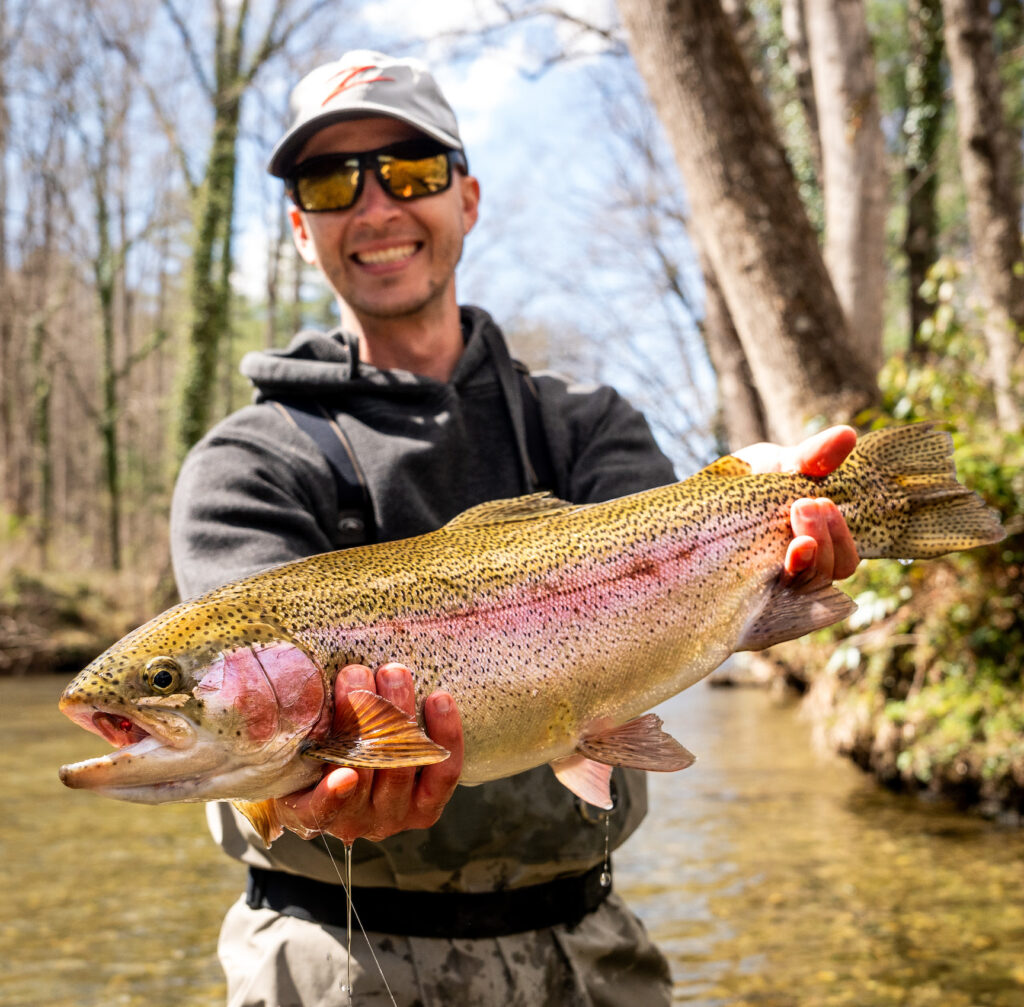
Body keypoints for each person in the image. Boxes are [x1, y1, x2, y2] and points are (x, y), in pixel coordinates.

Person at [170, 50, 860, 1007]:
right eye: (331, 181)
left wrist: (767, 516)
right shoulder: (244, 464)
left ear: (468, 197)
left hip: (588, 950)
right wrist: (304, 788)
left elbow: (679, 592)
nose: (375, 207)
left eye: (410, 170)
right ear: (299, 226)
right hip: (333, 965)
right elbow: (238, 729)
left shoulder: (586, 422)